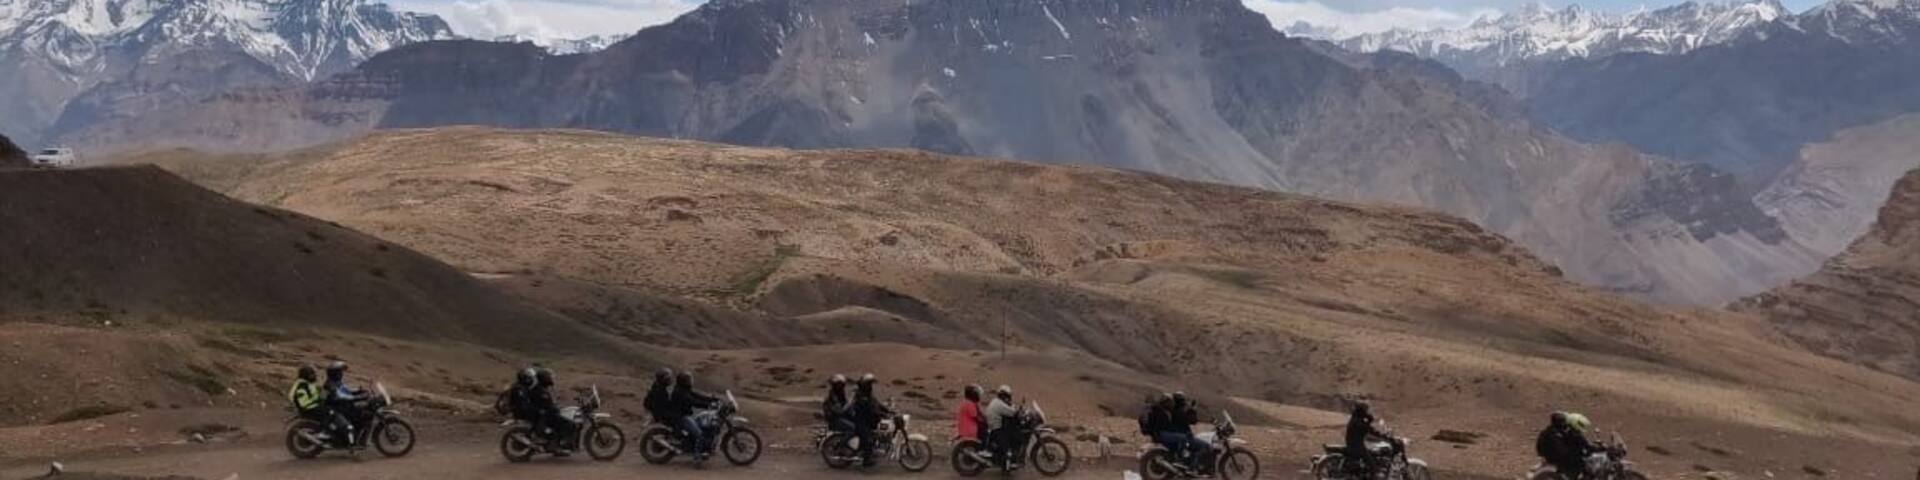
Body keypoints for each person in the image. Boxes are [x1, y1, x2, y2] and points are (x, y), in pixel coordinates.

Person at [672, 371, 720, 459]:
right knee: (700, 434)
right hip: (681, 417)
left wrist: (712, 399)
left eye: (690, 380)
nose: (690, 382)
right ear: (683, 382)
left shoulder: (684, 390)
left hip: (685, 415)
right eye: (688, 380)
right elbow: (694, 402)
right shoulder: (680, 393)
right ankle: (698, 455)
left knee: (703, 426)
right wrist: (708, 405)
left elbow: (697, 396)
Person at [529, 367, 576, 454]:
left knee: (564, 420)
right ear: (544, 379)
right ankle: (556, 446)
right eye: (549, 377)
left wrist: (557, 407)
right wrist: (556, 408)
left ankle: (559, 445)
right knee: (570, 424)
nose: (551, 379)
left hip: (545, 414)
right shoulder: (540, 391)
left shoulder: (541, 388)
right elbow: (548, 406)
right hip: (544, 416)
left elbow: (548, 404)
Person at [1536, 412, 1595, 479]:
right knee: (1580, 463)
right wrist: (1579, 454)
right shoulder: (1553, 434)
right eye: (1562, 422)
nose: (1564, 424)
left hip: (1561, 456)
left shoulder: (1563, 432)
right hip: (1556, 458)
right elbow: (1562, 451)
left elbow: (1580, 442)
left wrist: (1592, 447)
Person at [850, 374, 892, 467]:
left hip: (867, 419)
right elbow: (870, 409)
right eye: (869, 384)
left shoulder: (868, 394)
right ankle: (866, 460)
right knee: (868, 438)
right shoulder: (861, 396)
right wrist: (882, 414)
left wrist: (888, 410)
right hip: (860, 420)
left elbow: (876, 404)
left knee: (876, 433)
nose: (870, 386)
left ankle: (872, 450)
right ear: (865, 384)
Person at [1168, 392, 1211, 470]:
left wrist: (1190, 409)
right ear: (1181, 400)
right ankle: (1193, 466)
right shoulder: (1180, 411)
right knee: (1206, 446)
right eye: (1183, 400)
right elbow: (1193, 421)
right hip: (1185, 436)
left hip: (1179, 435)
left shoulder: (1174, 410)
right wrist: (1193, 410)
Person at [1344, 401, 1388, 474]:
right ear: (1362, 410)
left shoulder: (1356, 418)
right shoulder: (1358, 421)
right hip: (1356, 445)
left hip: (1355, 443)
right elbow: (1367, 429)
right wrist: (1382, 435)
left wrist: (1369, 419)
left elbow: (1366, 427)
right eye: (1366, 410)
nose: (1367, 411)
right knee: (1372, 464)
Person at [984, 385, 1020, 469]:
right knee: (1007, 449)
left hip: (994, 427)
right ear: (1004, 395)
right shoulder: (1000, 404)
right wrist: (1013, 407)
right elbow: (1012, 412)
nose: (1009, 397)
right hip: (997, 429)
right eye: (1008, 395)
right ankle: (1007, 468)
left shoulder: (997, 401)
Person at [288, 365, 326, 438]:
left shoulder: (307, 384)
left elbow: (314, 394)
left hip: (312, 405)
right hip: (309, 408)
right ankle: (324, 432)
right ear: (306, 375)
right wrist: (319, 400)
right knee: (330, 413)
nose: (314, 376)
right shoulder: (302, 386)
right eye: (312, 374)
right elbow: (304, 402)